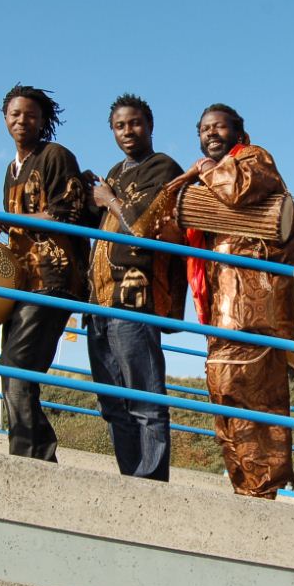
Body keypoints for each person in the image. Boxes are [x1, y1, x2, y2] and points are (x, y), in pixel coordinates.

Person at [166, 103, 294, 499]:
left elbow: (236, 187)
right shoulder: (209, 180)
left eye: (219, 127)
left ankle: (263, 491)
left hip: (255, 306)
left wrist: (203, 169)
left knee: (251, 396)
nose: (211, 134)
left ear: (238, 131)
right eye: (204, 129)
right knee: (226, 396)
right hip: (224, 309)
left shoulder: (253, 157)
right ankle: (247, 489)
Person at [0, 84, 89, 462]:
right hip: (22, 280)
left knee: (17, 371)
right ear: (4, 118)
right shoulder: (11, 168)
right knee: (13, 373)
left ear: (43, 120)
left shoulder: (56, 155)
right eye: (15, 114)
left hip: (54, 279)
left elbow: (67, 214)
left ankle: (33, 462)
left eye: (31, 115)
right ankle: (33, 459)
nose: (22, 121)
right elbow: (21, 223)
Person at [84, 93, 187, 482]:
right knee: (112, 403)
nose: (128, 131)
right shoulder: (115, 171)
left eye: (135, 123)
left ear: (150, 125)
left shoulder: (162, 167)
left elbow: (142, 228)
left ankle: (151, 485)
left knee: (145, 399)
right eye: (119, 126)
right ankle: (130, 480)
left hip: (135, 299)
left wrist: (108, 199)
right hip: (99, 301)